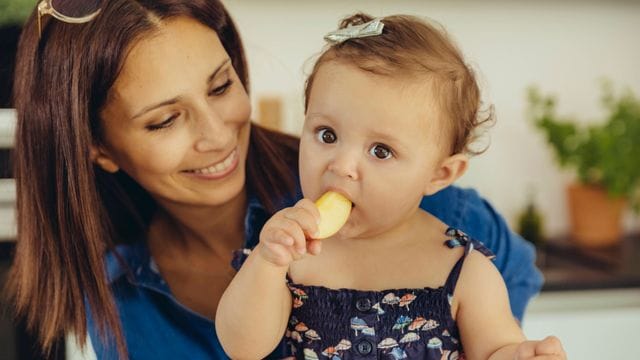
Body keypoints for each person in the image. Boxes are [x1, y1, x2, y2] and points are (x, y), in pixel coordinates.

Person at [7, 1, 542, 359]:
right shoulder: (117, 294)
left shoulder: (444, 231)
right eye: (165, 119)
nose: (217, 136)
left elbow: (509, 295)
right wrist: (267, 260)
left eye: (220, 87)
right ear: (98, 149)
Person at [216, 14, 564, 360]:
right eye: (327, 135)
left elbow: (495, 350)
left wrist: (518, 355)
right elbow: (243, 346)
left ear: (439, 175)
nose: (341, 166)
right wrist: (266, 260)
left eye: (381, 151)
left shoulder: (463, 270)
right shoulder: (291, 253)